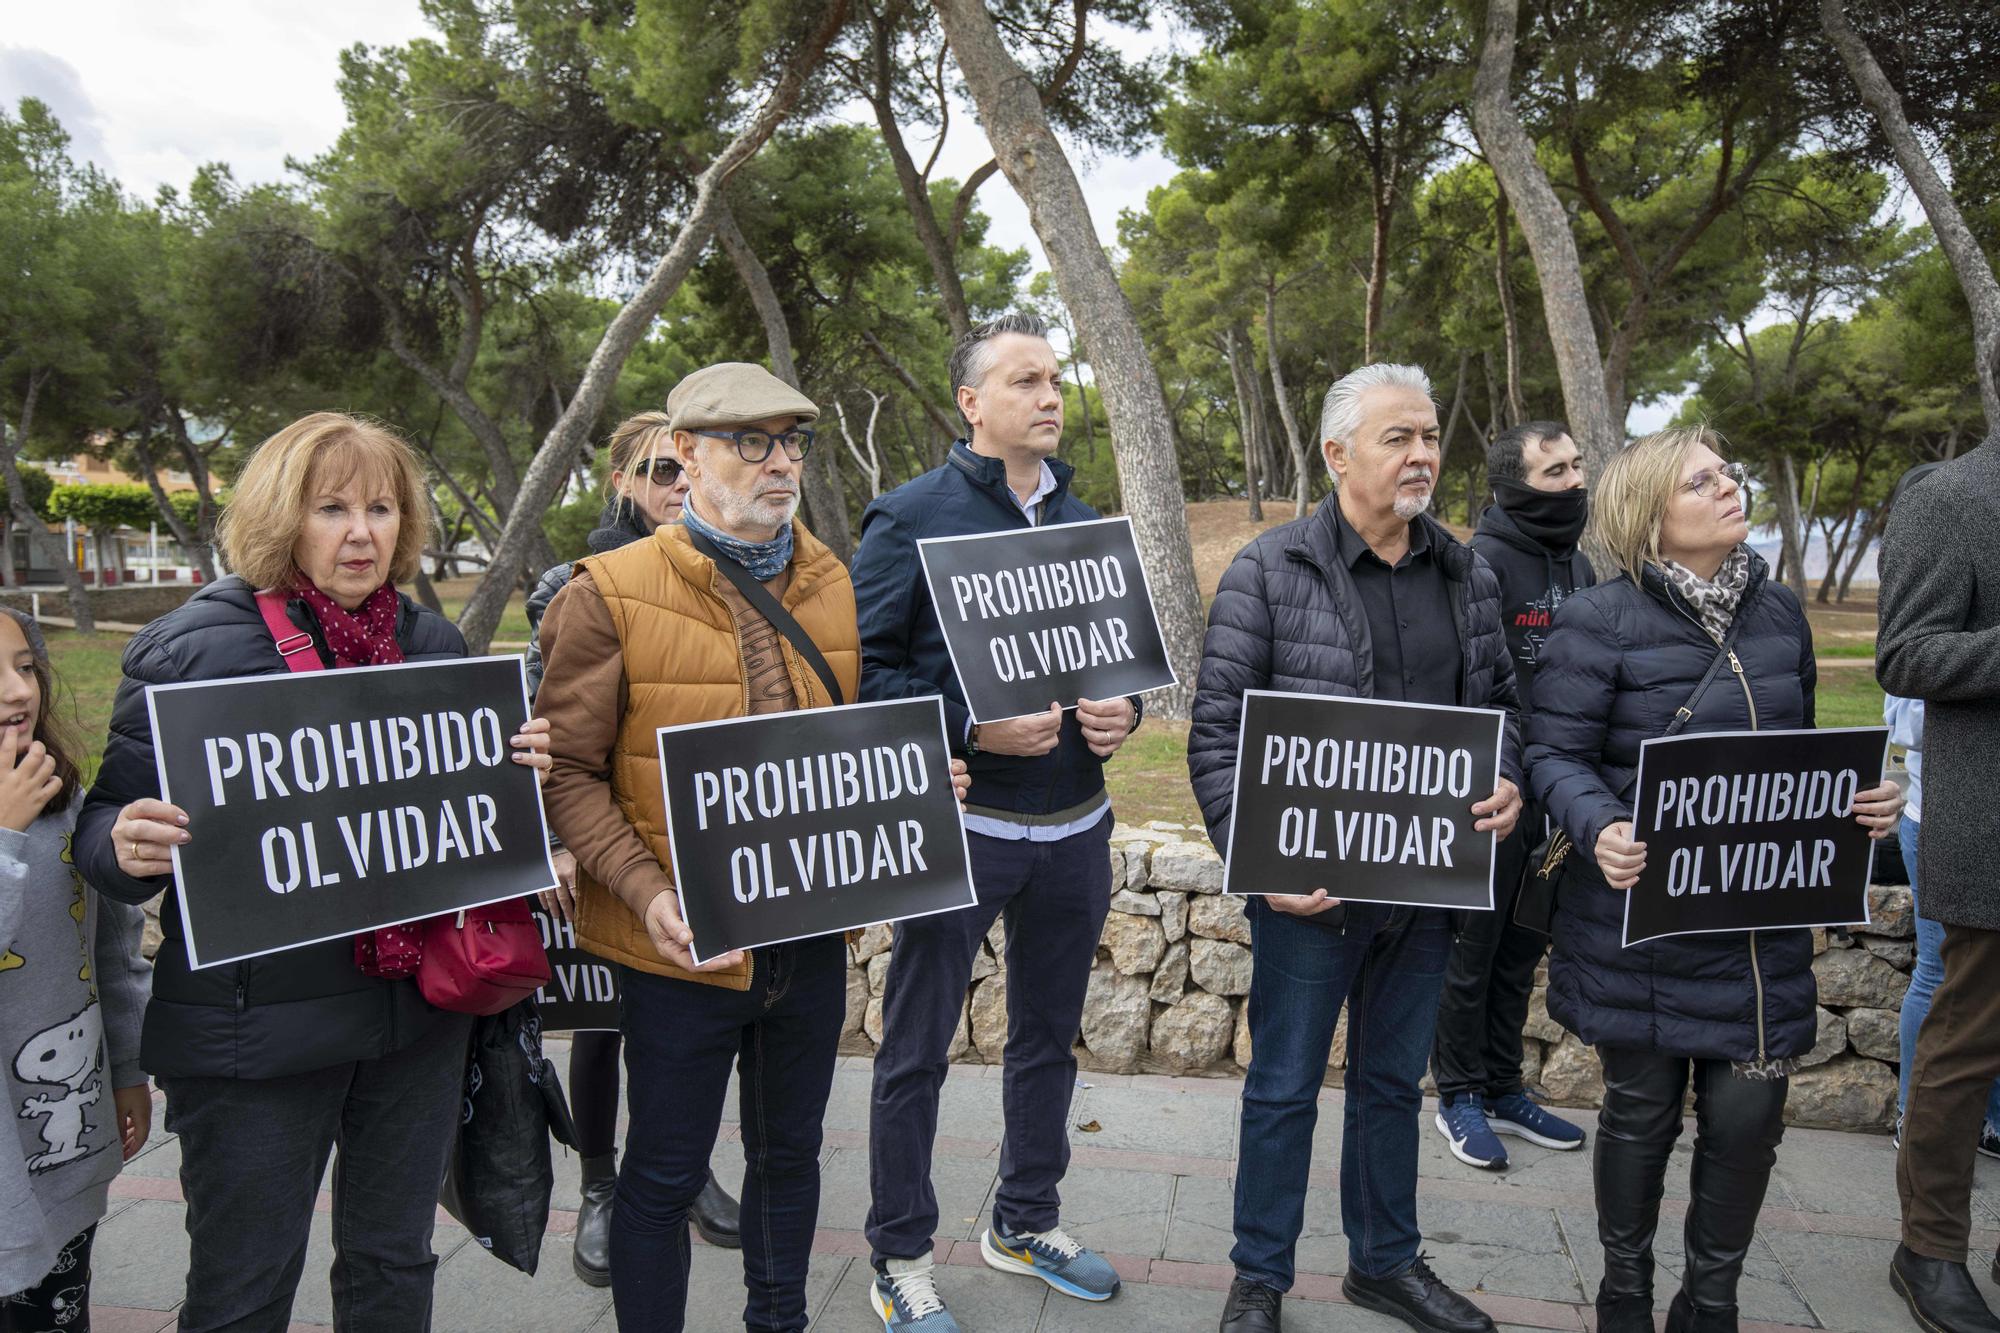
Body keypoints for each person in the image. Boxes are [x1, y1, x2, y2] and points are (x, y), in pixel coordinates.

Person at [76, 412, 553, 1333]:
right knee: (244, 1288)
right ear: (280, 517)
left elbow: (460, 836)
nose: (361, 531)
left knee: (393, 1266)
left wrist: (516, 775)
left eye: (380, 506)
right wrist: (122, 843)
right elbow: (106, 819)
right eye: (331, 507)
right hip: (254, 1041)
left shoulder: (432, 646)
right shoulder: (191, 650)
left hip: (414, 1025)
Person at [538, 363, 967, 1333]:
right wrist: (647, 893)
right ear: (684, 455)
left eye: (792, 442)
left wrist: (905, 787)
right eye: (752, 441)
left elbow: (834, 741)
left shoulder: (830, 580)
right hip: (677, 951)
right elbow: (564, 774)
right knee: (663, 1173)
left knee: (788, 1157)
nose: (780, 462)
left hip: (803, 939)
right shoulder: (604, 592)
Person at [1527, 427, 1901, 1333]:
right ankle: (1624, 1294)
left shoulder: (1780, 616)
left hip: (1756, 928)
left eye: (1727, 472)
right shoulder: (1596, 620)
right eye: (1703, 480)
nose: (1730, 485)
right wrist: (1600, 822)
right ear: (1653, 516)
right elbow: (1550, 753)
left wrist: (1859, 803)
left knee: (1747, 1121)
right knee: (1641, 1112)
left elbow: (1802, 757)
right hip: (1642, 924)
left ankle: (1712, 1302)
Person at [1188, 362, 1524, 1333]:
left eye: (1427, 436)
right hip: (1309, 894)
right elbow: (1215, 735)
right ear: (1337, 455)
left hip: (1424, 890)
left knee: (1388, 1083)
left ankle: (1384, 1262)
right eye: (1397, 438)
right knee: (1283, 1086)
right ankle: (1258, 1278)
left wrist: (1509, 781)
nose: (1421, 453)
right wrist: (1256, 859)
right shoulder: (1265, 568)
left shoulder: (1468, 572)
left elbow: (1503, 713)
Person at [850, 312, 1140, 1332]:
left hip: (1074, 829)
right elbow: (865, 670)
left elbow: (1118, 664)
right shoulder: (908, 516)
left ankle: (1024, 1219)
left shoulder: (1087, 519)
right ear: (971, 404)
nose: (1049, 395)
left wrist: (1121, 713)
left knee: (1047, 1039)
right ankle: (896, 1253)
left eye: (1054, 378)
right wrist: (967, 727)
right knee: (915, 1049)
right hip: (964, 832)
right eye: (1023, 380)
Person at [522, 410, 740, 1286]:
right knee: (607, 1026)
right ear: (621, 481)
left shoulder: (727, 568)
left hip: (696, 848)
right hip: (606, 850)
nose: (675, 487)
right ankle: (603, 1183)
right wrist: (556, 843)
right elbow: (548, 733)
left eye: (686, 468)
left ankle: (682, 1170)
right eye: (657, 470)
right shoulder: (573, 584)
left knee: (688, 1024)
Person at [1431, 420, 1593, 1170]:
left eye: (1576, 466)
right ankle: (1457, 1094)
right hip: (1493, 795)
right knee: (1473, 949)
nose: (1574, 482)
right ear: (1514, 487)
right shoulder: (1478, 565)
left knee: (1521, 948)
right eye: (1555, 472)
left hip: (1562, 800)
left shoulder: (1581, 567)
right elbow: (1471, 689)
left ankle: (1502, 1085)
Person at [1877, 428, 2000, 1333]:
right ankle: (1929, 1247)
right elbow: (1907, 653)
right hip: (1990, 825)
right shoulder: (1948, 496)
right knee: (1968, 1045)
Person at [1, 608, 152, 1331]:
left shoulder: (64, 804)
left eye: (26, 666)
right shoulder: (17, 814)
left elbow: (112, 953)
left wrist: (128, 1068)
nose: (16, 690)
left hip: (61, 1150)